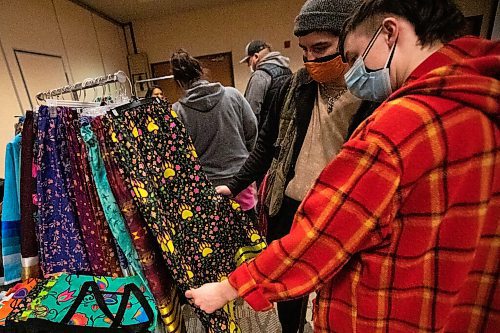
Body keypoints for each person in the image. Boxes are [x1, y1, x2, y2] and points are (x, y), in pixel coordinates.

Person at [186, 0, 500, 331]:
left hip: (382, 307)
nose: (354, 70)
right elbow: (267, 145)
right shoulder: (480, 99)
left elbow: (324, 234)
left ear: (390, 33)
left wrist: (228, 288)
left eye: (355, 56)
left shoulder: (400, 124)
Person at [216, 0, 378, 332]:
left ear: (349, 38)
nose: (311, 60)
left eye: (321, 48)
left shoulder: (374, 92)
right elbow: (265, 146)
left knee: (338, 294)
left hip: (339, 212)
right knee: (288, 293)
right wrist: (234, 185)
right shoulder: (295, 86)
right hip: (289, 206)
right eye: (305, 50)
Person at [171, 49, 258, 212]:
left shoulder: (177, 112)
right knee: (251, 232)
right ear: (201, 72)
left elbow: (180, 157)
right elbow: (252, 131)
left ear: (179, 82)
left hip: (206, 188)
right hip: (240, 179)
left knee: (217, 235)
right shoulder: (233, 95)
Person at [240, 40, 292, 130]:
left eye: (249, 61)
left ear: (256, 57)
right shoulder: (287, 71)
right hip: (286, 132)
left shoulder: (260, 75)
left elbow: (251, 115)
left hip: (267, 138)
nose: (249, 65)